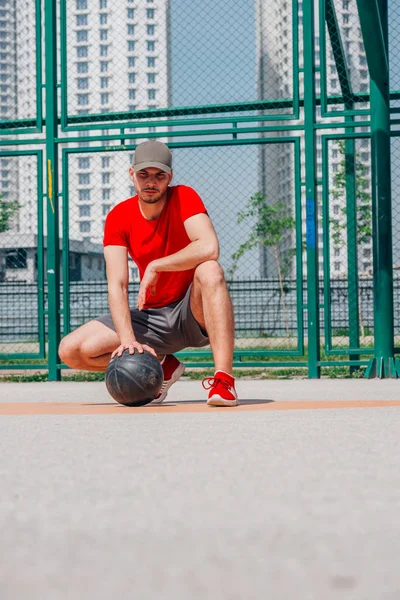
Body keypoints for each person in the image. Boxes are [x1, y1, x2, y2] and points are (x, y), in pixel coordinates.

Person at [59, 140, 238, 407]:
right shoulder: (119, 216)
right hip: (151, 318)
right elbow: (117, 284)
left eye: (159, 175)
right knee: (71, 351)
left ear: (170, 177)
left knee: (210, 269)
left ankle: (224, 382)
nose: (150, 182)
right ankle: (162, 365)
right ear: (132, 174)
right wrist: (129, 342)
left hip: (191, 311)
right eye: (143, 174)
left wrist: (157, 265)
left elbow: (209, 247)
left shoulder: (184, 197)